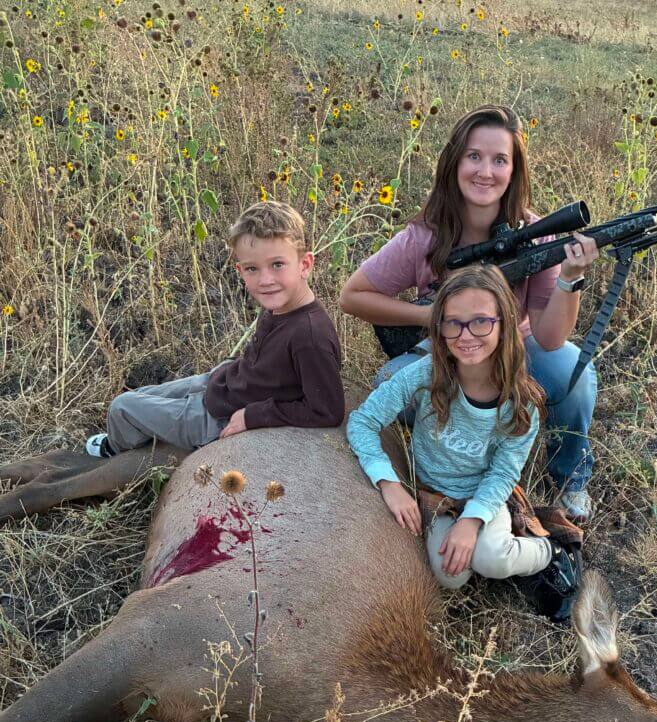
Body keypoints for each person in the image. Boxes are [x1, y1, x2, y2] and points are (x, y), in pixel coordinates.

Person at [339, 104, 599, 522]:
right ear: (455, 161)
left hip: (513, 350)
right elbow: (352, 296)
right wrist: (432, 318)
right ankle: (444, 461)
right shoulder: (426, 234)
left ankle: (570, 481)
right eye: (474, 156)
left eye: (500, 160)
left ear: (514, 171)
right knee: (390, 383)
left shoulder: (537, 235)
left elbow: (550, 339)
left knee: (575, 373)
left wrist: (571, 277)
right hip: (446, 351)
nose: (485, 171)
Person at [347, 264, 582, 619]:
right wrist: (388, 482)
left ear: (504, 323)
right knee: (449, 576)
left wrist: (472, 522)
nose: (466, 334)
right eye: (453, 322)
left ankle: (549, 553)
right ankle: (483, 550)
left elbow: (503, 474)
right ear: (438, 326)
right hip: (433, 492)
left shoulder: (520, 402)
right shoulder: (426, 373)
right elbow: (364, 421)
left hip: (484, 494)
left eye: (481, 321)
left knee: (491, 557)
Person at [85, 200, 344, 458]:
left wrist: (252, 416)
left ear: (305, 265)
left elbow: (328, 411)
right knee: (140, 395)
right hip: (224, 384)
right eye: (253, 268)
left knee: (121, 408)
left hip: (217, 418)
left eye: (277, 264)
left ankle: (115, 451)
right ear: (240, 270)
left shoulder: (310, 336)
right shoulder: (280, 305)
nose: (266, 280)